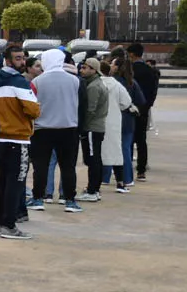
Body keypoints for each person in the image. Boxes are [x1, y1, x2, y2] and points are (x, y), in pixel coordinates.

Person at [0, 45, 40, 239]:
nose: (22, 62)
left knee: (3, 180)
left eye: (22, 58)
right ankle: (9, 224)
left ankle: (0, 221)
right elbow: (33, 110)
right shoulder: (19, 82)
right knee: (16, 182)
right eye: (18, 58)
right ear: (8, 60)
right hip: (17, 138)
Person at [26, 49, 81, 213]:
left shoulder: (37, 81)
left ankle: (38, 198)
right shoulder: (75, 80)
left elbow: (32, 104)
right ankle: (70, 200)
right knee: (68, 166)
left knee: (41, 165)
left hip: (43, 129)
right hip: (68, 128)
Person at [106, 56, 146, 191]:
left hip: (113, 119)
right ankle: (128, 178)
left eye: (112, 64)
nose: (110, 66)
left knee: (108, 148)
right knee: (125, 149)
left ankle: (105, 177)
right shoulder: (132, 83)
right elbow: (141, 101)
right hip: (128, 120)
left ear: (117, 67)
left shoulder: (111, 82)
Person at [77, 57, 110, 202]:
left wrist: (82, 127)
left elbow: (90, 110)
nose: (81, 70)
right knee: (94, 158)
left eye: (85, 68)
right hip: (96, 127)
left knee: (93, 159)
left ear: (93, 70)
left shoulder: (93, 87)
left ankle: (92, 190)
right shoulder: (93, 83)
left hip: (92, 128)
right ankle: (94, 189)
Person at [128, 43, 158, 181]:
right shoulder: (150, 70)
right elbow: (153, 91)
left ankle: (126, 169)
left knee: (128, 139)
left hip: (129, 108)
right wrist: (147, 106)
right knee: (141, 141)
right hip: (144, 109)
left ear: (132, 54)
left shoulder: (129, 69)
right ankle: (141, 171)